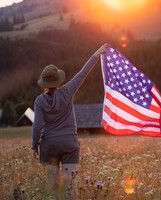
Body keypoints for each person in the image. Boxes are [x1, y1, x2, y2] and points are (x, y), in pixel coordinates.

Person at [32, 43, 110, 198]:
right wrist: (97, 53)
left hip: (48, 145)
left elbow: (37, 126)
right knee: (71, 187)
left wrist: (35, 146)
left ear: (44, 84)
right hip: (69, 143)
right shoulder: (68, 90)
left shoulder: (39, 101)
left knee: (53, 189)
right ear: (58, 80)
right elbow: (83, 73)